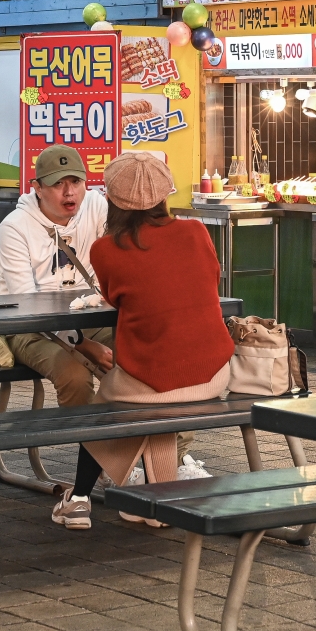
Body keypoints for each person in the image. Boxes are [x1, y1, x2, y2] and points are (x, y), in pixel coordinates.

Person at [50, 153, 233, 531]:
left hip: (154, 380)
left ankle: (80, 499)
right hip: (214, 374)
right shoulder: (197, 231)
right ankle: (153, 493)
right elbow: (209, 277)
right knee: (149, 391)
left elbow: (115, 297)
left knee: (106, 407)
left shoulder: (106, 249)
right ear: (165, 195)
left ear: (112, 200)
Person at [0, 145, 112, 407]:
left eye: (76, 181)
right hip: (29, 327)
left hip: (89, 316)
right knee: (74, 375)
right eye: (58, 183)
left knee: (139, 357)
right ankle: (91, 447)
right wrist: (83, 344)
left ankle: (135, 441)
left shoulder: (96, 205)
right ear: (37, 187)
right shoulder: (14, 227)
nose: (69, 192)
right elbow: (28, 304)